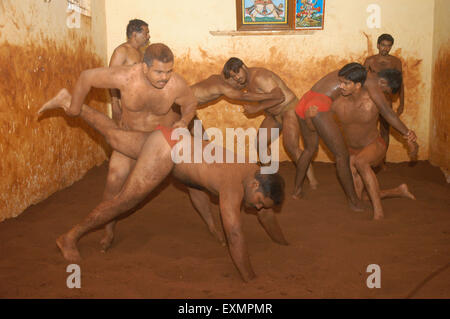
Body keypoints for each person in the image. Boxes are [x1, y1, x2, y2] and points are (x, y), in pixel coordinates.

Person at [38, 91, 288, 282]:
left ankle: (70, 102)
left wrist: (282, 243)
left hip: (172, 137)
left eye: (259, 206)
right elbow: (234, 234)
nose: (256, 207)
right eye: (258, 201)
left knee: (115, 136)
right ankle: (69, 237)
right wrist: (250, 279)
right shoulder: (233, 186)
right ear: (256, 183)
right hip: (167, 151)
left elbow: (266, 214)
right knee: (124, 201)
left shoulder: (251, 170)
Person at [40, 43, 197, 251]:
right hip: (130, 137)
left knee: (132, 194)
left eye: (169, 71)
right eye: (159, 71)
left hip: (155, 143)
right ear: (144, 67)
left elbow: (191, 104)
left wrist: (184, 121)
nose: (164, 77)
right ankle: (108, 229)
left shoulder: (175, 84)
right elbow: (87, 76)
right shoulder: (126, 77)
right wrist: (74, 108)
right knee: (114, 179)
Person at [293, 63, 417, 212]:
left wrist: (308, 118)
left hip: (306, 98)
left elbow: (312, 127)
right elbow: (386, 111)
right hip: (318, 103)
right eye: (384, 91)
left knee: (309, 149)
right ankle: (353, 202)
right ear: (382, 83)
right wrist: (407, 133)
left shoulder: (356, 77)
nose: (381, 95)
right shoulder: (369, 80)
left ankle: (296, 191)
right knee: (341, 156)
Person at [328, 65, 415, 220]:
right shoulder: (337, 103)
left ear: (358, 85)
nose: (341, 86)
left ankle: (379, 212)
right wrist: (313, 113)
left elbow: (391, 117)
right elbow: (322, 118)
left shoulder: (374, 101)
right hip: (352, 150)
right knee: (360, 197)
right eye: (340, 82)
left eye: (346, 83)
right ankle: (399, 191)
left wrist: (408, 136)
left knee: (361, 162)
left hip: (374, 145)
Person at [221, 57, 319, 190]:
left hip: (289, 109)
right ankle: (269, 177)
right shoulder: (245, 81)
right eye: (233, 76)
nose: (237, 78)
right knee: (260, 143)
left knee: (291, 147)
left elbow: (280, 97)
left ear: (244, 66)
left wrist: (256, 108)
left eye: (237, 73)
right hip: (274, 115)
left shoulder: (260, 77)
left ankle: (313, 181)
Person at [364, 34, 405, 155]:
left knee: (385, 131)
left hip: (386, 101)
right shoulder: (370, 61)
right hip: (370, 100)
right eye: (383, 45)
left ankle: (382, 160)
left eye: (388, 46)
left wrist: (402, 103)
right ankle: (367, 157)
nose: (385, 49)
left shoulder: (395, 62)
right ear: (378, 45)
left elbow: (400, 83)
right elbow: (362, 81)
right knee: (368, 130)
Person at [109, 19, 151, 123]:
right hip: (125, 104)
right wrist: (115, 103)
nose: (148, 36)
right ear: (135, 34)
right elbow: (110, 78)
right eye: (146, 33)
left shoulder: (141, 53)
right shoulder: (122, 51)